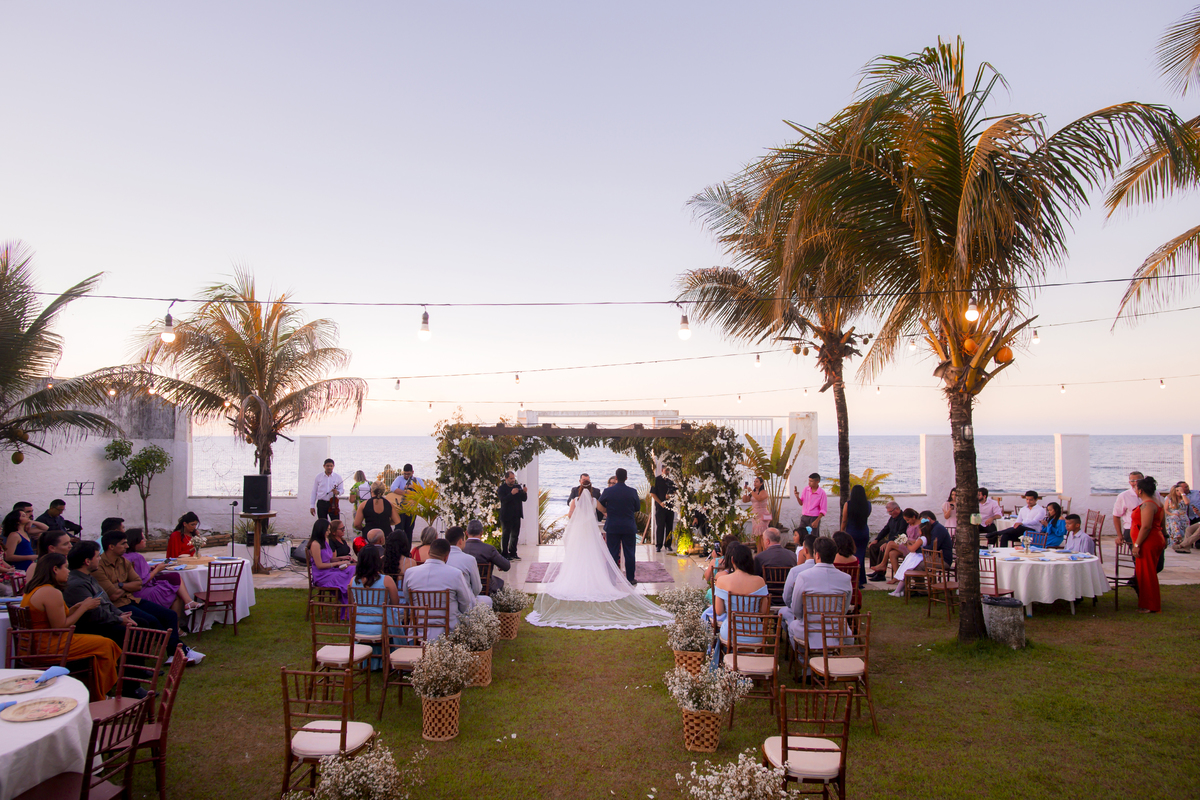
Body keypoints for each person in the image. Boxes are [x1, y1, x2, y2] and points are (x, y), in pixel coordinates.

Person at [528, 480, 672, 630]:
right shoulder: (594, 501)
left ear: (579, 489)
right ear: (591, 489)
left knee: (576, 557)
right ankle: (596, 578)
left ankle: (578, 578)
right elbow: (605, 510)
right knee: (593, 556)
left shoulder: (575, 501)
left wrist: (579, 518)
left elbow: (570, 515)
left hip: (579, 533)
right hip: (591, 533)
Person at [20, 553, 121, 697]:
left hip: (36, 644)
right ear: (55, 569)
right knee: (107, 644)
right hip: (50, 646)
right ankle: (99, 694)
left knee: (102, 644)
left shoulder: (32, 590)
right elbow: (60, 628)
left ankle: (94, 690)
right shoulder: (51, 592)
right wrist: (83, 608)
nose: (68, 571)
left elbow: (48, 619)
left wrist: (75, 608)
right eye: (65, 567)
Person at [92, 530, 198, 664]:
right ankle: (180, 651)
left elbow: (138, 584)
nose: (126, 546)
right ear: (111, 547)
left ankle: (175, 652)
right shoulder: (99, 566)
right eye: (123, 543)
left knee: (169, 615)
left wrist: (120, 585)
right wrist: (127, 586)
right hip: (118, 605)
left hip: (132, 598)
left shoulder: (123, 561)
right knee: (153, 621)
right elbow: (113, 595)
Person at [785, 537, 852, 653]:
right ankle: (829, 656)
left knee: (791, 626)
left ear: (817, 555)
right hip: (835, 630)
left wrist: (804, 618)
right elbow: (844, 610)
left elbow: (796, 609)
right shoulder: (845, 578)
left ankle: (803, 661)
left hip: (809, 630)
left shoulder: (804, 576)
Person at [400, 539, 474, 639]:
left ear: (429, 552)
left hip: (418, 630)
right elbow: (465, 602)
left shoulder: (410, 573)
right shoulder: (455, 574)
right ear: (447, 556)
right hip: (448, 631)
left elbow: (408, 599)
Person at [124, 528, 200, 618]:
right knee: (175, 591)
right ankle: (178, 621)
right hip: (142, 591)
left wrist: (149, 568)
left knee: (174, 577)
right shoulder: (137, 557)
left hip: (134, 590)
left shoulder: (126, 556)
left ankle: (188, 602)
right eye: (143, 538)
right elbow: (143, 580)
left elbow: (137, 571)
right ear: (136, 541)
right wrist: (157, 570)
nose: (145, 540)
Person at [707, 542, 768, 645]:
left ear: (732, 560)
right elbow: (763, 611)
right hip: (756, 633)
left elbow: (719, 611)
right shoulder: (759, 581)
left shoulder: (722, 581)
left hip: (730, 633)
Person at [350, 546, 399, 667]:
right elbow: (396, 603)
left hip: (358, 626)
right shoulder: (386, 580)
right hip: (380, 627)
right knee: (395, 617)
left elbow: (352, 605)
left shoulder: (352, 582)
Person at [597, 468, 641, 585]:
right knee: (630, 553)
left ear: (616, 478)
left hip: (613, 526)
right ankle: (630, 578)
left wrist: (609, 509)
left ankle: (612, 579)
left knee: (612, 553)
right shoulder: (632, 491)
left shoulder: (608, 491)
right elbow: (637, 508)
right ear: (626, 478)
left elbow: (600, 503)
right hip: (628, 526)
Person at [1128, 476, 1166, 613]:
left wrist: (1137, 545)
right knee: (1145, 573)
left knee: (1147, 574)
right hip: (1154, 539)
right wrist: (1165, 537)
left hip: (1148, 542)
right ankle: (1148, 603)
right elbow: (1163, 523)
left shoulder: (1148, 504)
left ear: (1141, 490)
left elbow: (1146, 527)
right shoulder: (1157, 502)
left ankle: (1150, 605)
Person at [307, 518, 353, 604]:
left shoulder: (326, 540)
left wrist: (342, 558)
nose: (329, 532)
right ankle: (347, 601)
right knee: (344, 577)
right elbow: (319, 565)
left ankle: (352, 600)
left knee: (352, 569)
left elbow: (329, 558)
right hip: (322, 576)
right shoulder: (315, 544)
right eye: (327, 530)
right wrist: (337, 563)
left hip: (330, 571)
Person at [444, 526, 491, 607]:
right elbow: (477, 588)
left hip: (445, 600)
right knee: (488, 600)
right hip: (465, 602)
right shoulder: (469, 559)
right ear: (460, 541)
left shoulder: (442, 557)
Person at [779, 533, 819, 626]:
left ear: (805, 550)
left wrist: (794, 607)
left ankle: (789, 636)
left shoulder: (796, 571)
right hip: (824, 614)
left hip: (800, 613)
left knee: (783, 612)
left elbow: (787, 597)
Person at [463, 518, 510, 594]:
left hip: (464, 586)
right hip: (484, 587)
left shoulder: (460, 549)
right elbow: (506, 566)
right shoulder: (489, 549)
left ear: (466, 533)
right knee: (499, 582)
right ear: (481, 533)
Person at [870, 509, 919, 578]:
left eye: (908, 520)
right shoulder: (910, 524)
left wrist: (907, 541)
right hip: (906, 543)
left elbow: (920, 539)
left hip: (913, 547)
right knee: (892, 553)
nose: (907, 522)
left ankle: (883, 564)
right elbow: (886, 529)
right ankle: (898, 577)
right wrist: (877, 539)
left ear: (914, 517)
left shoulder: (919, 526)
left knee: (890, 544)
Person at [355, 481, 399, 551]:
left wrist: (364, 529)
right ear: (383, 491)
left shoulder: (364, 504)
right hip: (385, 534)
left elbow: (357, 524)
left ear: (371, 490)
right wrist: (386, 523)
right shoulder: (389, 504)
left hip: (369, 534)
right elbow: (397, 520)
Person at [867, 502, 906, 579]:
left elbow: (900, 534)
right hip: (890, 540)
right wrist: (877, 539)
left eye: (891, 511)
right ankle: (876, 569)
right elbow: (886, 529)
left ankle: (881, 574)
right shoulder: (892, 518)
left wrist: (888, 543)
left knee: (883, 549)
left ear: (897, 509)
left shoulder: (903, 518)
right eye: (888, 512)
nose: (889, 514)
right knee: (874, 546)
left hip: (898, 542)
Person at [843, 485, 871, 588]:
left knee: (852, 555)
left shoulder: (848, 504)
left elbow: (845, 519)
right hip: (863, 532)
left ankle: (855, 579)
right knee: (861, 555)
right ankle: (862, 578)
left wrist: (842, 530)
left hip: (851, 531)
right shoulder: (867, 505)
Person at [389, 463, 424, 545]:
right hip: (400, 508)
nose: (406, 476)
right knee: (398, 529)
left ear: (412, 472)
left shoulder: (417, 480)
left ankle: (407, 550)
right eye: (405, 474)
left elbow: (423, 491)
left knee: (409, 530)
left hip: (411, 509)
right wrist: (405, 492)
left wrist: (413, 487)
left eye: (408, 474)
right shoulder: (399, 479)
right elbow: (393, 488)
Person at [496, 471, 527, 561]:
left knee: (515, 535)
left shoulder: (517, 486)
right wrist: (511, 494)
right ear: (506, 479)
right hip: (506, 516)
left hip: (516, 515)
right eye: (511, 478)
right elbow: (503, 500)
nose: (513, 480)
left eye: (513, 478)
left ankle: (513, 553)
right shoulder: (502, 488)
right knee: (506, 535)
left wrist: (524, 492)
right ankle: (504, 554)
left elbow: (524, 499)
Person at [1112, 471, 1144, 544]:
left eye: (1138, 481)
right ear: (1129, 482)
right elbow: (1116, 516)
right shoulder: (1124, 496)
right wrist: (1120, 535)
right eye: (1132, 481)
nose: (1136, 483)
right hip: (1131, 529)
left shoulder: (1154, 494)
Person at [651, 465, 677, 552]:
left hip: (670, 507)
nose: (667, 472)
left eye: (668, 471)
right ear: (662, 470)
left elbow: (676, 492)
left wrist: (671, 495)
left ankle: (668, 544)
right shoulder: (657, 480)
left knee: (669, 526)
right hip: (660, 506)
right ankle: (658, 545)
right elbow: (653, 493)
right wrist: (660, 502)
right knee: (660, 526)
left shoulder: (671, 481)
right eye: (666, 470)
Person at [743, 477, 771, 552]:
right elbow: (745, 500)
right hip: (755, 516)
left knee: (762, 535)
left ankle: (765, 552)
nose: (755, 483)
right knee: (757, 536)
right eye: (754, 482)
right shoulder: (753, 492)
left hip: (762, 516)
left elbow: (759, 498)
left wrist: (751, 491)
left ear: (761, 483)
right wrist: (745, 491)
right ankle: (759, 552)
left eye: (757, 481)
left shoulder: (763, 492)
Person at [1176, 480, 1200, 553]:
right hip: (1190, 516)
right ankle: (1186, 548)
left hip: (1197, 517)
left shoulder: (1197, 493)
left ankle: (1182, 545)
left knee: (1198, 532)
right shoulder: (1178, 496)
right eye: (1185, 487)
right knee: (1189, 529)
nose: (1187, 488)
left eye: (1187, 486)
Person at [1164, 483, 1189, 551]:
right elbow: (1166, 510)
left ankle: (1178, 537)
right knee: (1173, 518)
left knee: (1175, 519)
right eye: (1177, 491)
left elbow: (1187, 503)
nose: (1178, 492)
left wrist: (1182, 493)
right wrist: (1172, 514)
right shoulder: (1169, 499)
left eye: (1179, 490)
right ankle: (1177, 535)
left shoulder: (1184, 498)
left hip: (1183, 517)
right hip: (1172, 516)